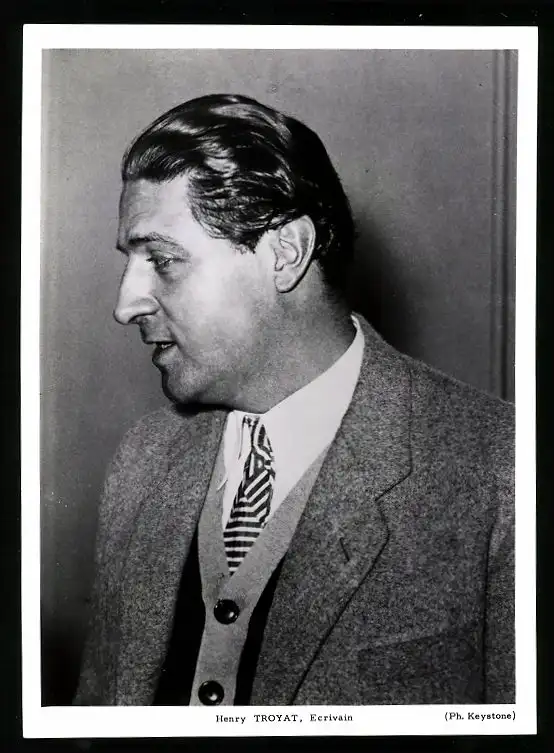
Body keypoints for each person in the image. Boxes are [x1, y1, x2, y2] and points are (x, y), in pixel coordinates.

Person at [74, 93, 514, 707]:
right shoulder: (143, 459)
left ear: (285, 253)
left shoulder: (502, 469)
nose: (126, 305)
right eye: (131, 263)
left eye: (163, 261)